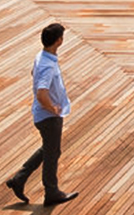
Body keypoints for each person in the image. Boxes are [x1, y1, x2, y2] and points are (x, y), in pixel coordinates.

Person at [5, 22, 79, 206]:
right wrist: (53, 108)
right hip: (48, 117)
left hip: (42, 115)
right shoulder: (48, 65)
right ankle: (51, 192)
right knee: (52, 154)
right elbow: (41, 93)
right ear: (59, 41)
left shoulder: (42, 56)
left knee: (49, 149)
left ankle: (19, 179)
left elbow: (33, 73)